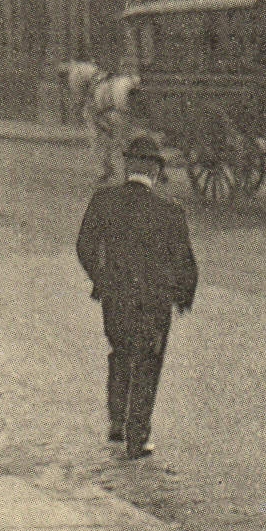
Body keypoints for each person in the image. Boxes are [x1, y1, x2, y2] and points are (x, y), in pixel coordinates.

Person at [76, 135, 199, 460]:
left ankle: (117, 423)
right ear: (156, 172)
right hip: (153, 303)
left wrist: (101, 278)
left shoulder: (104, 200)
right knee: (147, 363)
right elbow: (184, 260)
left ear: (128, 167)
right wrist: (183, 295)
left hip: (115, 298)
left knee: (119, 353)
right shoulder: (170, 211)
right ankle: (137, 436)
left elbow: (84, 246)